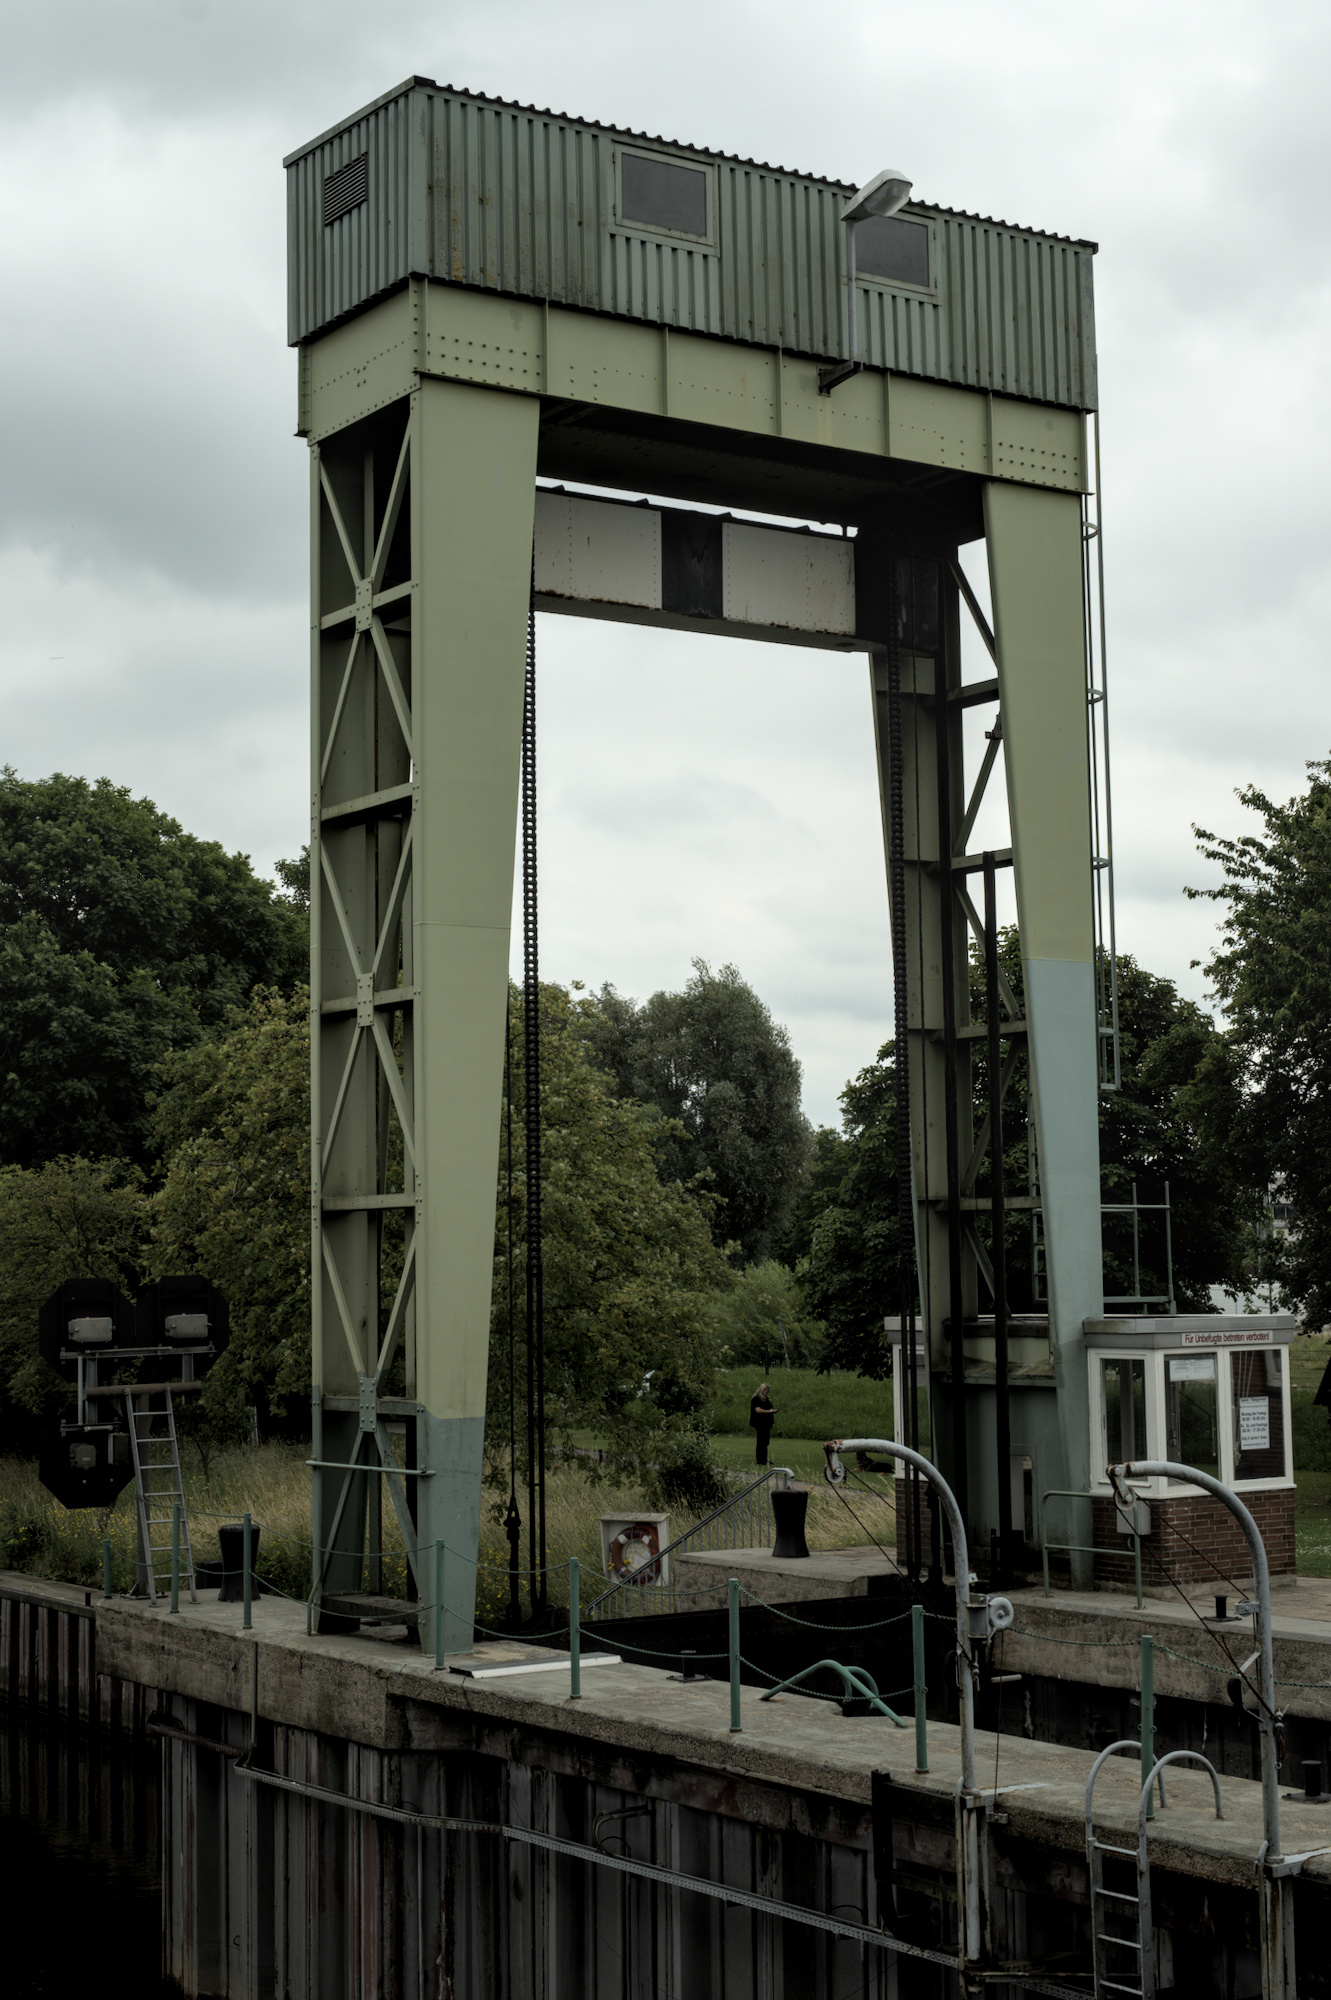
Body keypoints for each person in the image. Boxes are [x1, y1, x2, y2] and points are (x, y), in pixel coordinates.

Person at [749, 1382, 776, 1466]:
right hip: (760, 1423)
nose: (766, 1392)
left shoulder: (766, 1399)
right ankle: (760, 1459)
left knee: (765, 1441)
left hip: (766, 1423)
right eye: (765, 1390)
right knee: (761, 1441)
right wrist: (768, 1411)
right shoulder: (756, 1399)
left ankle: (764, 1458)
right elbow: (758, 1410)